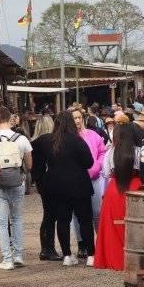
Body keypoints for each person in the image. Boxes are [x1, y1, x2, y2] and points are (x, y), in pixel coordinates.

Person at [31, 111, 95, 266]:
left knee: (62, 220)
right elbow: (89, 162)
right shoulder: (77, 140)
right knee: (85, 220)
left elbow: (32, 150)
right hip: (79, 185)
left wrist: (40, 177)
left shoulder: (46, 140)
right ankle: (91, 255)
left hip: (56, 186)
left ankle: (67, 255)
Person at [0, 106, 33, 270]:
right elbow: (29, 164)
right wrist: (22, 174)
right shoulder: (21, 139)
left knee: (2, 222)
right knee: (17, 218)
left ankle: (7, 258)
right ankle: (18, 255)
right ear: (11, 119)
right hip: (17, 182)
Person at [94, 123, 141, 270]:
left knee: (113, 225)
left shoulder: (110, 152)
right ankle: (136, 259)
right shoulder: (139, 151)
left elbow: (106, 173)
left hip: (115, 189)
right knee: (137, 224)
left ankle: (114, 258)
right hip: (136, 187)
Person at [71, 107, 107, 258]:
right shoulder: (69, 137)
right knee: (77, 214)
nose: (77, 121)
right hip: (77, 180)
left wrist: (98, 166)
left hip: (95, 178)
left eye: (79, 117)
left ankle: (100, 242)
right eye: (74, 118)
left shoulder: (93, 135)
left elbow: (102, 152)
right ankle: (82, 244)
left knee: (97, 212)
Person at [30, 115, 61, 261]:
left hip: (41, 182)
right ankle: (48, 248)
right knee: (51, 216)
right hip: (51, 182)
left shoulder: (33, 143)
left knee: (48, 215)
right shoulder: (50, 142)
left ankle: (47, 248)